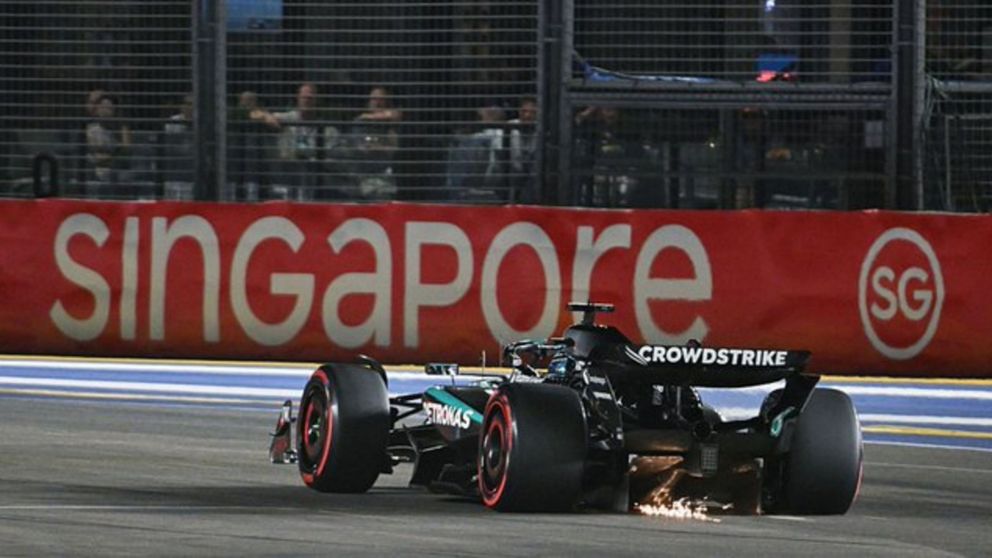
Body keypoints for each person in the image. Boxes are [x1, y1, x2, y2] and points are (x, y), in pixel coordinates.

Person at [272, 83, 338, 200]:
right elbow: (263, 115)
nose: (306, 101)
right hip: (287, 173)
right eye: (304, 97)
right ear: (298, 99)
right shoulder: (288, 118)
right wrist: (268, 119)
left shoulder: (327, 129)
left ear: (316, 101)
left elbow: (330, 157)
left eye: (310, 98)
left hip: (314, 177)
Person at [445, 104, 508, 202]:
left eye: (481, 117)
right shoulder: (474, 137)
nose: (478, 121)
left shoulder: (496, 134)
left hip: (487, 188)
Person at [347, 86, 401, 200]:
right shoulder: (360, 123)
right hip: (363, 177)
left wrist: (376, 147)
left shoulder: (390, 125)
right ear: (369, 102)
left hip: (385, 178)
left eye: (381, 99)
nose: (377, 102)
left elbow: (393, 150)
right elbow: (362, 148)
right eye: (374, 99)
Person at [84, 93, 132, 186]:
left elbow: (126, 148)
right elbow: (95, 152)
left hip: (119, 170)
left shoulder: (122, 127)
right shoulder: (91, 129)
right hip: (96, 169)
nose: (104, 110)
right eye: (102, 107)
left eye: (108, 107)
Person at [162, 94, 194, 198]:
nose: (190, 107)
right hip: (175, 167)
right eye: (187, 104)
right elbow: (168, 145)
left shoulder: (201, 122)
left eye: (193, 104)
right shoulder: (173, 122)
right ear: (182, 106)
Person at [508, 97, 538, 202]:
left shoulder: (541, 130)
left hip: (533, 178)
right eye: (524, 111)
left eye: (532, 112)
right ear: (519, 111)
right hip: (510, 176)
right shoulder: (509, 127)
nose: (527, 115)